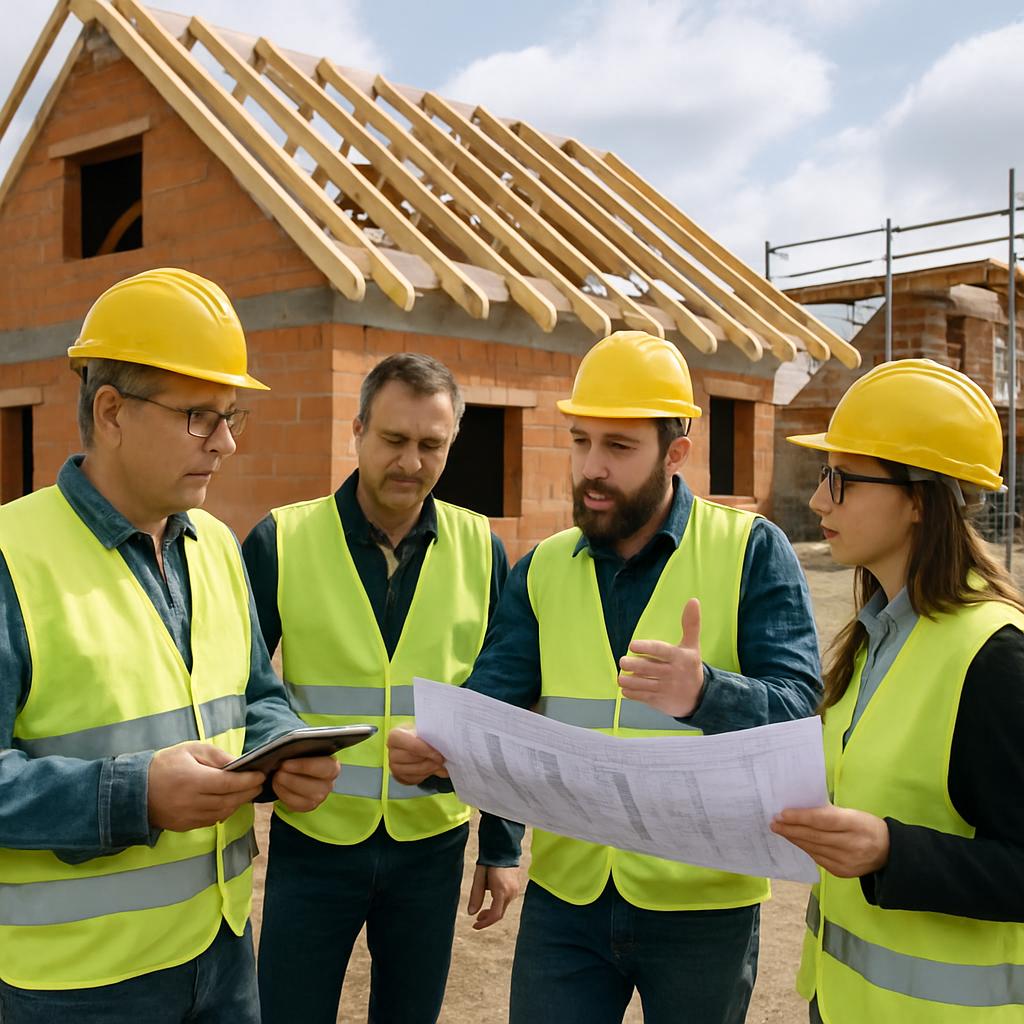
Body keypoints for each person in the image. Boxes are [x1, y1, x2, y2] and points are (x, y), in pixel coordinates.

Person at [389, 331, 822, 1024]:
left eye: (618, 447)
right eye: (580, 441)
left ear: (675, 454)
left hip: (702, 908)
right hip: (568, 901)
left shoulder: (751, 550)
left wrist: (706, 694)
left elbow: (801, 715)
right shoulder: (543, 567)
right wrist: (438, 753)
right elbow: (492, 708)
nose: (591, 467)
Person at [0, 268, 339, 1024]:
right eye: (198, 417)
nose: (226, 442)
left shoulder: (216, 545)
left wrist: (283, 750)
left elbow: (254, 695)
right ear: (112, 412)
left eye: (231, 416)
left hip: (221, 952)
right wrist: (136, 794)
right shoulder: (10, 558)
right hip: (74, 986)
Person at [242, 352, 520, 1024]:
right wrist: (271, 764)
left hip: (432, 844)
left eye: (432, 445)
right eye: (394, 439)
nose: (411, 462)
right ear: (358, 430)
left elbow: (500, 703)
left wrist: (502, 844)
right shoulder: (282, 540)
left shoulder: (482, 550)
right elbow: (241, 681)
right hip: (315, 839)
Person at [772, 358, 1024, 1023]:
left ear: (920, 500)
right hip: (842, 1004)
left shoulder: (996, 659)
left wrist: (892, 851)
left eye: (842, 479)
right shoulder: (874, 635)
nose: (819, 500)